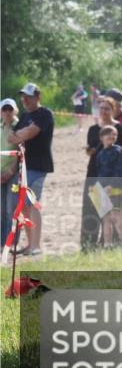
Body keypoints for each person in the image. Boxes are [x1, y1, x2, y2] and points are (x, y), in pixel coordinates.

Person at [6, 83, 54, 257]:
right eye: (23, 97)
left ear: (38, 97)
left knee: (32, 204)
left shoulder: (45, 114)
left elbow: (28, 134)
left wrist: (21, 135)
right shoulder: (26, 116)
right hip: (24, 166)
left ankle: (36, 246)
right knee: (25, 207)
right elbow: (13, 137)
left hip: (39, 166)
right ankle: (30, 245)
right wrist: (21, 135)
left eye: (29, 97)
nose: (25, 100)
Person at [82, 97, 122, 250]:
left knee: (114, 213)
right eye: (101, 108)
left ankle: (118, 243)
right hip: (94, 174)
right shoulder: (93, 129)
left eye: (107, 108)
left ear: (113, 110)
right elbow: (91, 150)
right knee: (94, 211)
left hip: (113, 178)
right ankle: (89, 245)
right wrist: (90, 151)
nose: (104, 111)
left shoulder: (120, 129)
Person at [94, 125, 122, 248]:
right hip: (101, 189)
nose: (112, 136)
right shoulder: (100, 154)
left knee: (115, 216)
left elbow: (119, 171)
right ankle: (108, 244)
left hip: (115, 188)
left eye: (114, 134)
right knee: (105, 218)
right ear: (101, 137)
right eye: (109, 134)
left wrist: (110, 185)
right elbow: (99, 172)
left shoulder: (118, 151)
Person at [1, 99, 19, 249]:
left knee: (11, 209)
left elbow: (21, 152)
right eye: (4, 109)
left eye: (10, 109)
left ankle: (11, 243)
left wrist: (11, 170)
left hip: (14, 173)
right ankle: (2, 243)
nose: (7, 112)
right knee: (2, 210)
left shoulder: (19, 126)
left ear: (15, 111)